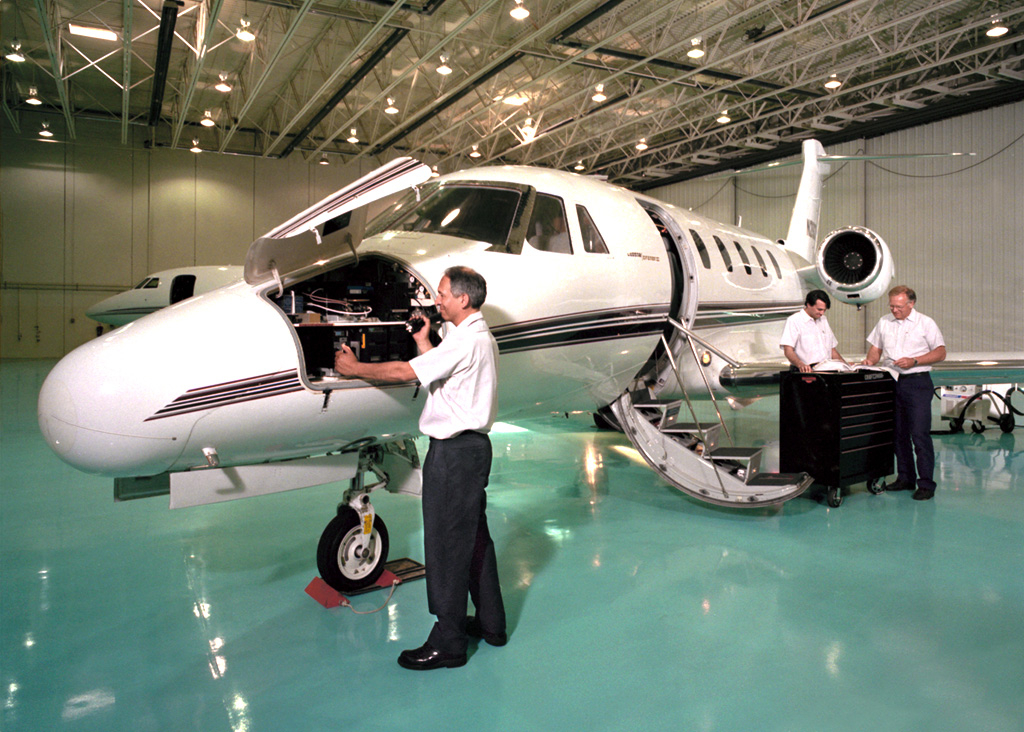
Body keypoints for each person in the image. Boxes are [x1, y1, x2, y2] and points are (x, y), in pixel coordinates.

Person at [333, 266, 507, 670]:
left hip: (454, 455)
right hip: (472, 450)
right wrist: (423, 338)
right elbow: (442, 377)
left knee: (446, 547)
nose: (437, 299)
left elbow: (407, 372)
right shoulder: (477, 338)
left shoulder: (466, 341)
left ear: (463, 299)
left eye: (443, 293)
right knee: (474, 539)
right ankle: (491, 623)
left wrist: (355, 369)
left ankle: (448, 642)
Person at [861, 285, 946, 501]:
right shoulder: (884, 322)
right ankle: (905, 478)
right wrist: (870, 361)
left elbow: (940, 352)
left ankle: (926, 483)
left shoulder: (925, 323)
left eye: (899, 306)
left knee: (919, 434)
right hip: (892, 381)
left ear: (911, 304)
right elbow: (876, 348)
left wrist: (915, 360)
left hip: (917, 383)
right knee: (897, 434)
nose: (894, 310)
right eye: (891, 305)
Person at [780, 289, 846, 372]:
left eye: (824, 310)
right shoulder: (794, 320)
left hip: (827, 370)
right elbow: (788, 350)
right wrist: (801, 365)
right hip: (804, 371)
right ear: (808, 305)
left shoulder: (823, 320)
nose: (822, 313)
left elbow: (832, 349)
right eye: (819, 309)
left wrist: (845, 366)